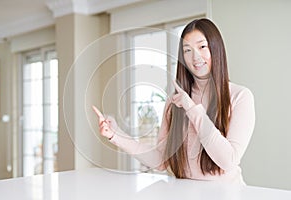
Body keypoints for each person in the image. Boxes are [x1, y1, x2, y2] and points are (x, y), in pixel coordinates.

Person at [93, 18, 255, 185]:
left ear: (216, 48)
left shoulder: (240, 96)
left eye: (202, 47)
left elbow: (228, 160)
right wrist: (116, 135)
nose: (195, 57)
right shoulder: (175, 101)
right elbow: (161, 160)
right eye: (187, 50)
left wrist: (191, 108)